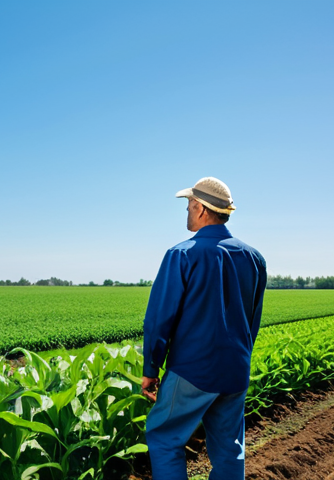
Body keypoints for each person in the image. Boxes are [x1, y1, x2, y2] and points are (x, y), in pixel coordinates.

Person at [141, 177, 267, 480]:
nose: (187, 211)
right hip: (236, 370)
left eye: (188, 205)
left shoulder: (182, 254)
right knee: (229, 449)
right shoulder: (255, 259)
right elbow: (252, 320)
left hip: (193, 370)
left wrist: (150, 369)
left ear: (200, 208)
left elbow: (159, 318)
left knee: (164, 438)